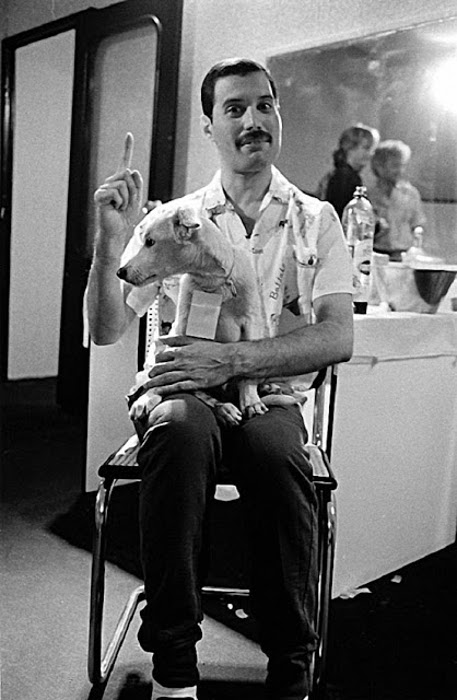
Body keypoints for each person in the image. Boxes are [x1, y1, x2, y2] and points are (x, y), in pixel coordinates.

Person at [86, 58, 354, 700]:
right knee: (177, 429)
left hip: (273, 399)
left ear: (278, 114)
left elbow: (337, 337)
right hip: (185, 392)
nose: (253, 120)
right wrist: (110, 238)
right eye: (234, 108)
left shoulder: (317, 220)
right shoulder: (175, 219)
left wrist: (233, 362)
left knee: (275, 451)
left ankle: (290, 658)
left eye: (265, 105)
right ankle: (174, 662)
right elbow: (107, 327)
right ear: (209, 126)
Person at [369, 139, 426, 261]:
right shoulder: (369, 194)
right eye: (395, 166)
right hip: (376, 254)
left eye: (402, 165)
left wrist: (418, 235)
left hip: (404, 254)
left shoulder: (411, 193)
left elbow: (417, 223)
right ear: (379, 167)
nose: (400, 170)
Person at [316, 123, 379, 219]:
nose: (370, 154)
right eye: (366, 148)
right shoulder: (345, 178)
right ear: (350, 148)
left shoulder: (337, 174)